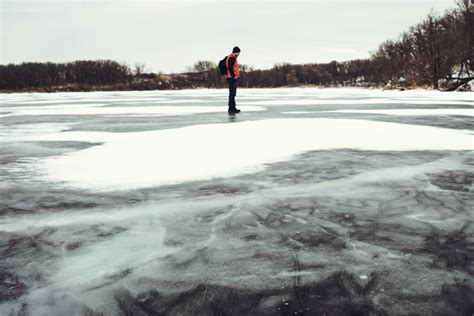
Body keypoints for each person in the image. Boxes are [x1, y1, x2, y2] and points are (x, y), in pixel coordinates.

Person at [226, 46, 241, 114]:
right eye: (238, 53)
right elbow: (230, 68)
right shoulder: (232, 58)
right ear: (236, 52)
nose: (239, 54)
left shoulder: (232, 57)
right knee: (232, 94)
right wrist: (234, 75)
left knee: (232, 94)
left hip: (231, 78)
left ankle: (232, 108)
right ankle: (231, 109)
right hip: (232, 78)